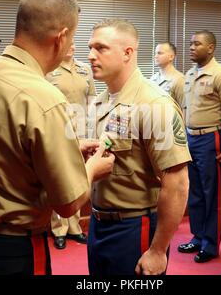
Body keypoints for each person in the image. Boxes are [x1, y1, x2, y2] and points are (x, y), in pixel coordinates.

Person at [0, 0, 114, 275]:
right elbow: (68, 202)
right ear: (61, 38)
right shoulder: (44, 97)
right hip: (7, 249)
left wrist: (68, 150)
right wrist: (93, 168)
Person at [87, 18, 191, 275]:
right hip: (98, 224)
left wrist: (158, 250)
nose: (90, 56)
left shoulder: (154, 103)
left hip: (134, 228)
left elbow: (177, 184)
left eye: (100, 48)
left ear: (127, 53)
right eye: (90, 47)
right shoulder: (99, 103)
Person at [177, 30, 221, 263]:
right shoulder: (190, 74)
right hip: (191, 139)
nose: (191, 47)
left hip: (212, 138)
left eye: (197, 44)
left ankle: (210, 245)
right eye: (190, 43)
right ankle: (198, 237)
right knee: (196, 193)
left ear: (210, 48)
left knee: (212, 195)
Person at [46, 41, 97, 249]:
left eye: (74, 43)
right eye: (67, 43)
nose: (71, 46)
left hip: (82, 134)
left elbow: (92, 100)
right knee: (59, 181)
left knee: (78, 179)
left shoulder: (85, 70)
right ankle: (59, 228)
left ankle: (75, 227)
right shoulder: (49, 70)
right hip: (60, 133)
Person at [150, 42, 185, 108]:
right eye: (155, 53)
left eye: (160, 53)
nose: (156, 56)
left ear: (171, 57)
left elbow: (184, 108)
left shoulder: (179, 80)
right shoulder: (153, 78)